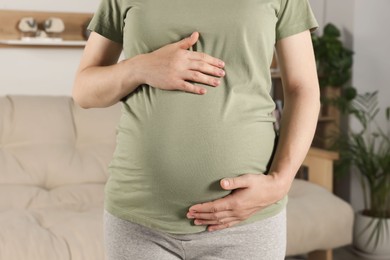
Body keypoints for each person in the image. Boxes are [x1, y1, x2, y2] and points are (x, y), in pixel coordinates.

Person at [73, 0, 320, 259]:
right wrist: (139, 68)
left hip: (245, 225)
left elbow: (302, 89)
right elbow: (83, 90)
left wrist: (280, 182)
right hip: (139, 224)